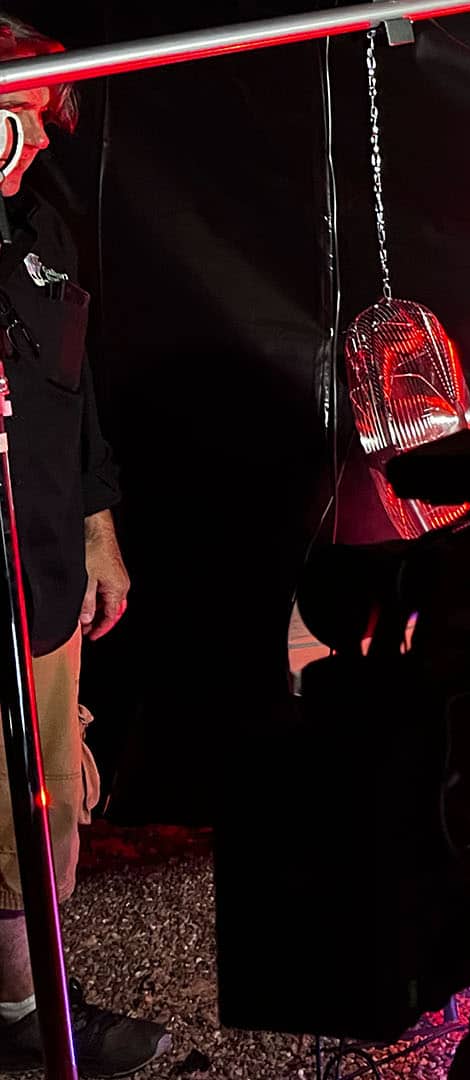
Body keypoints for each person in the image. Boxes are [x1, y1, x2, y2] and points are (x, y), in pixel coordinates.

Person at [0, 14, 171, 1076]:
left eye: (49, 112)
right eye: (24, 110)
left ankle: (31, 1002)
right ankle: (26, 1019)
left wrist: (99, 530)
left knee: (45, 810)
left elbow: (76, 393)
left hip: (44, 576)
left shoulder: (45, 232)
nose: (47, 136)